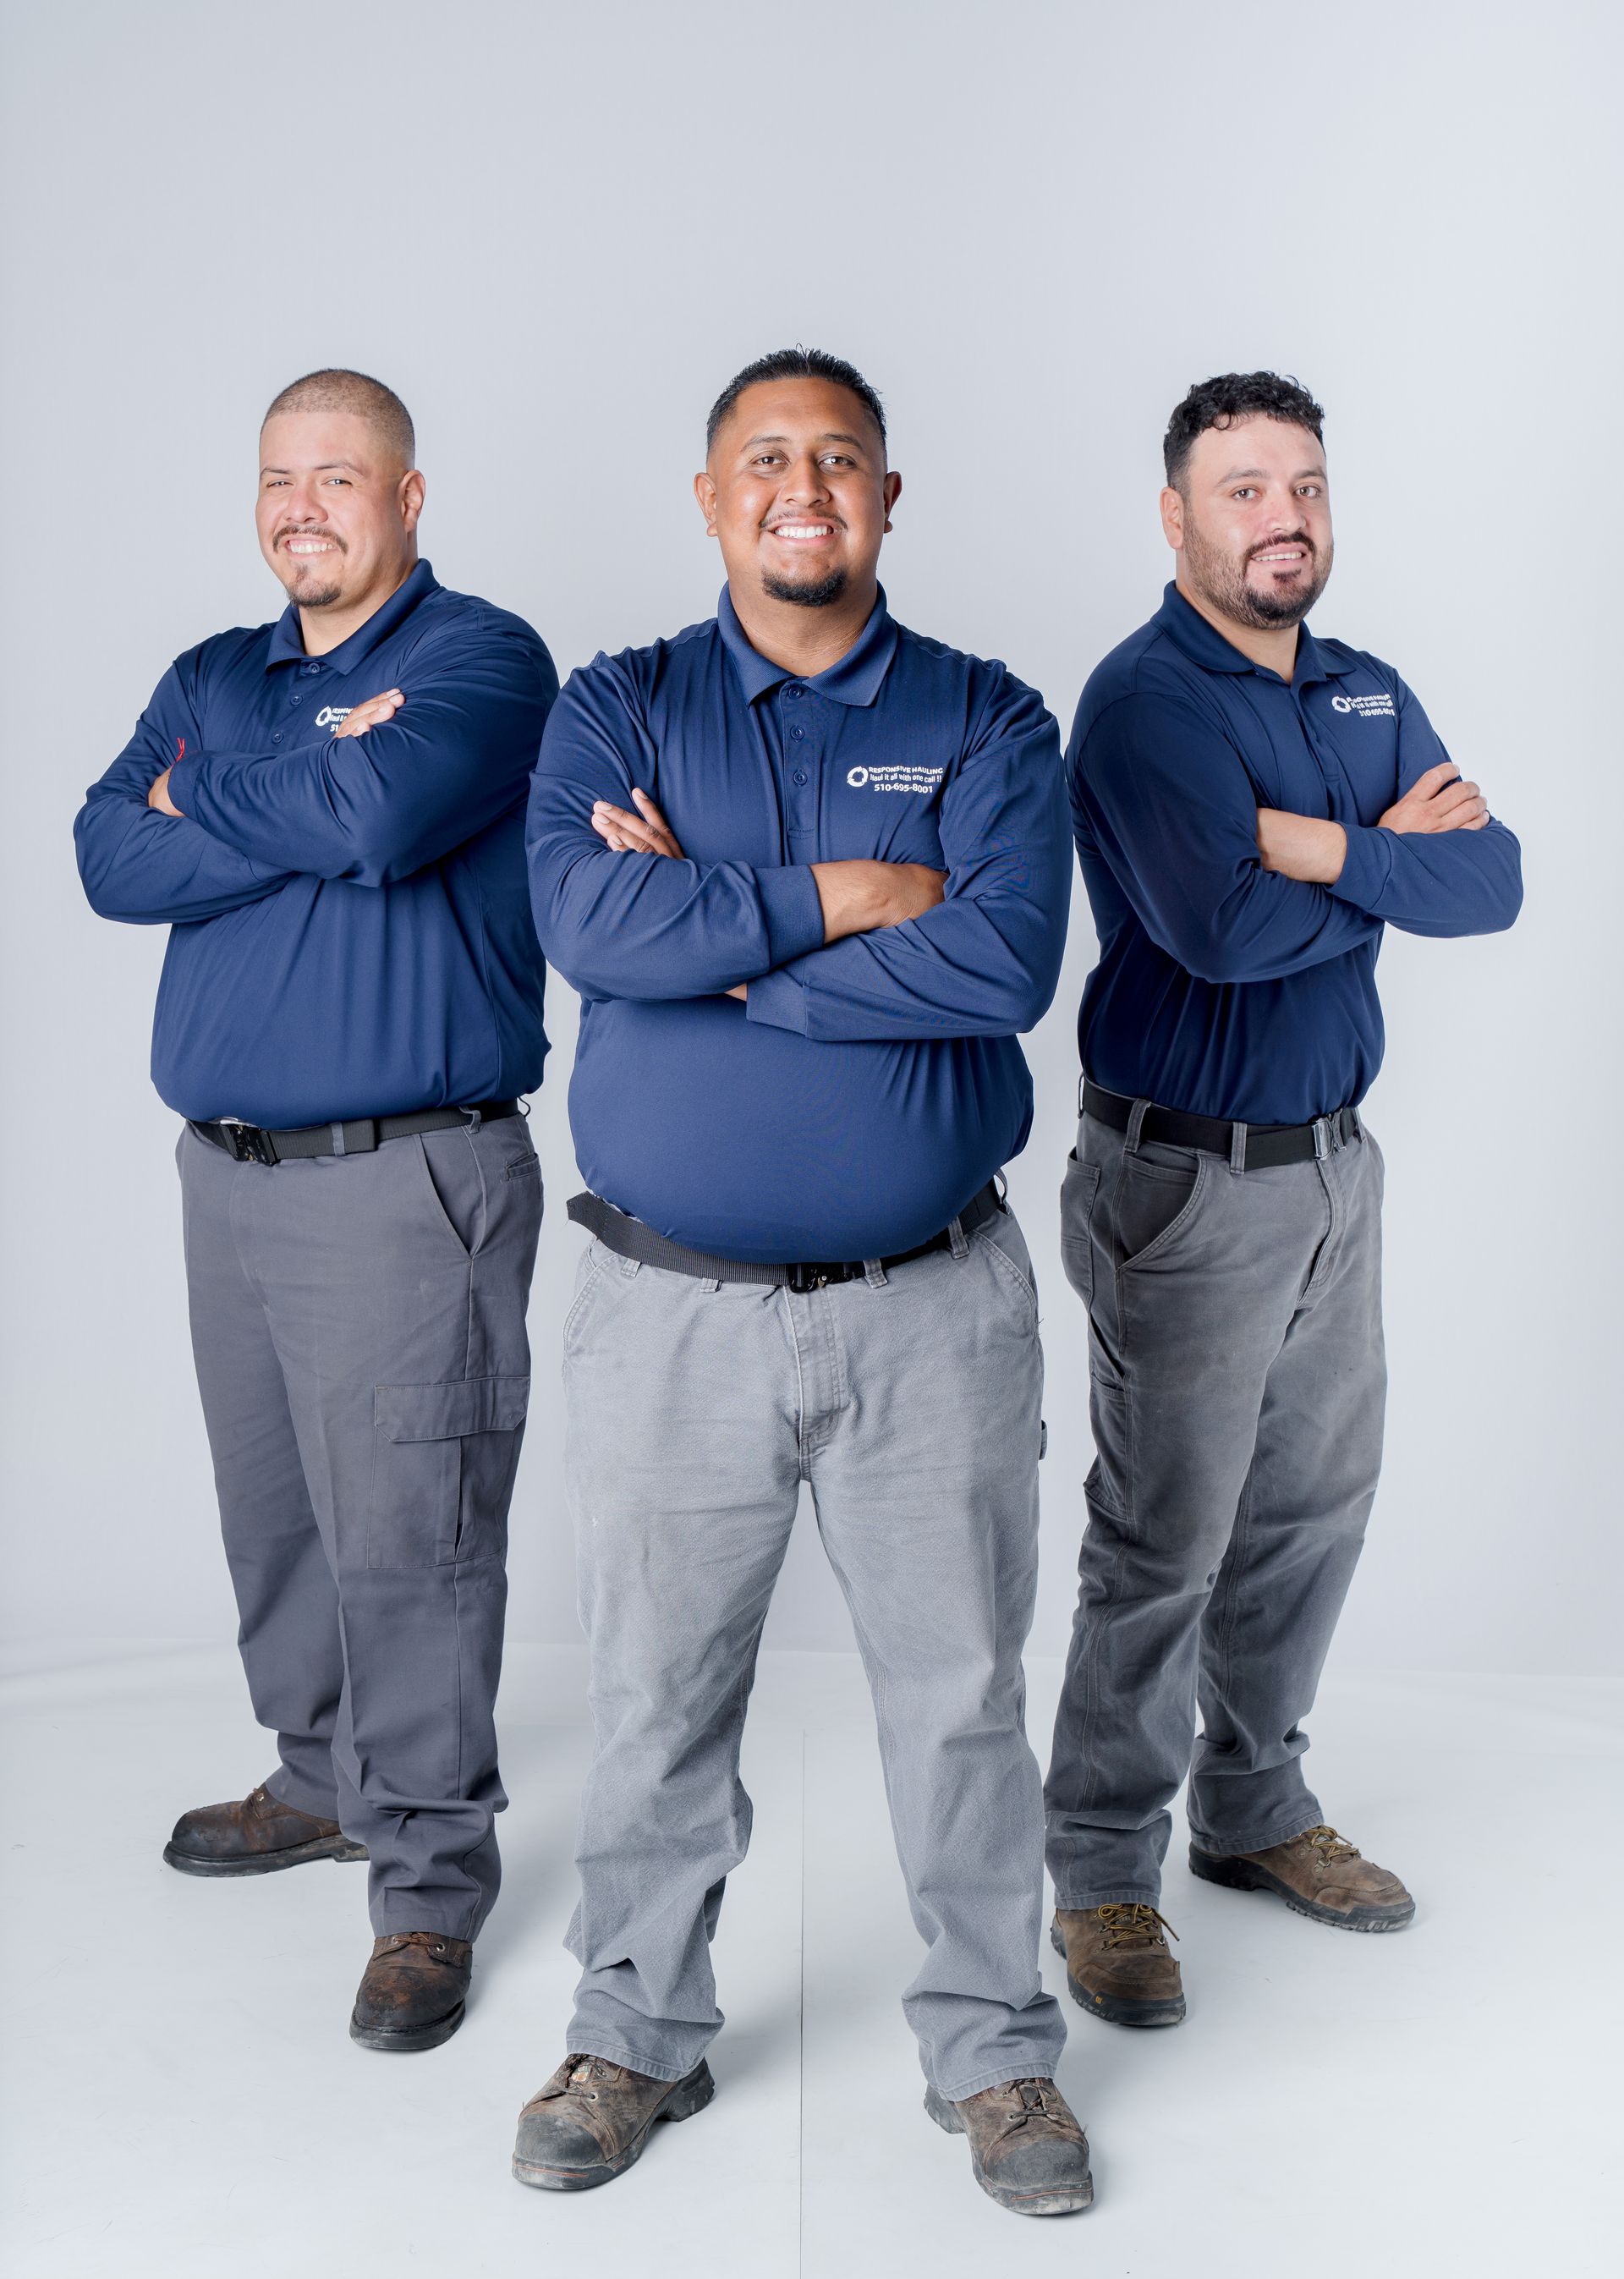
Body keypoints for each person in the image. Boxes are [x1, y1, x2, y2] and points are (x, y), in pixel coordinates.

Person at [517, 348, 1089, 2216]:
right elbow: (590, 922)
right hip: (664, 1312)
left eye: (839, 459)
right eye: (766, 459)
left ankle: (996, 2049)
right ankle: (631, 2029)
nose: (804, 488)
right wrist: (857, 893)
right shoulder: (617, 707)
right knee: (657, 1696)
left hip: (931, 1305)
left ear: (889, 498)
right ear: (709, 499)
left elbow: (1002, 966)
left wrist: (727, 941)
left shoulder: (991, 719)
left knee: (958, 1695)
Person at [74, 368, 557, 2053]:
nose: (303, 507)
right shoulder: (217, 675)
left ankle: (429, 1889)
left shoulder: (484, 661)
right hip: (232, 1178)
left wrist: (206, 797)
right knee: (276, 1520)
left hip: (406, 1177)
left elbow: (380, 817)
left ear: (408, 498)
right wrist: (292, 780)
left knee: (409, 1542)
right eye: (280, 478)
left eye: (339, 479)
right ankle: (324, 1776)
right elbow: (98, 855)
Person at [1044, 372, 1522, 2029]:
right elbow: (1218, 935)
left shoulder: (1367, 687)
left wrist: (1317, 849)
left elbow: (1497, 877)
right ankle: (1103, 1869)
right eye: (1244, 490)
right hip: (1185, 1176)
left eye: (1305, 485)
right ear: (1177, 517)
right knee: (1162, 1536)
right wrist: (1382, 854)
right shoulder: (1146, 703)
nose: (1284, 518)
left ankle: (1248, 1812)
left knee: (1313, 1509)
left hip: (1333, 1167)